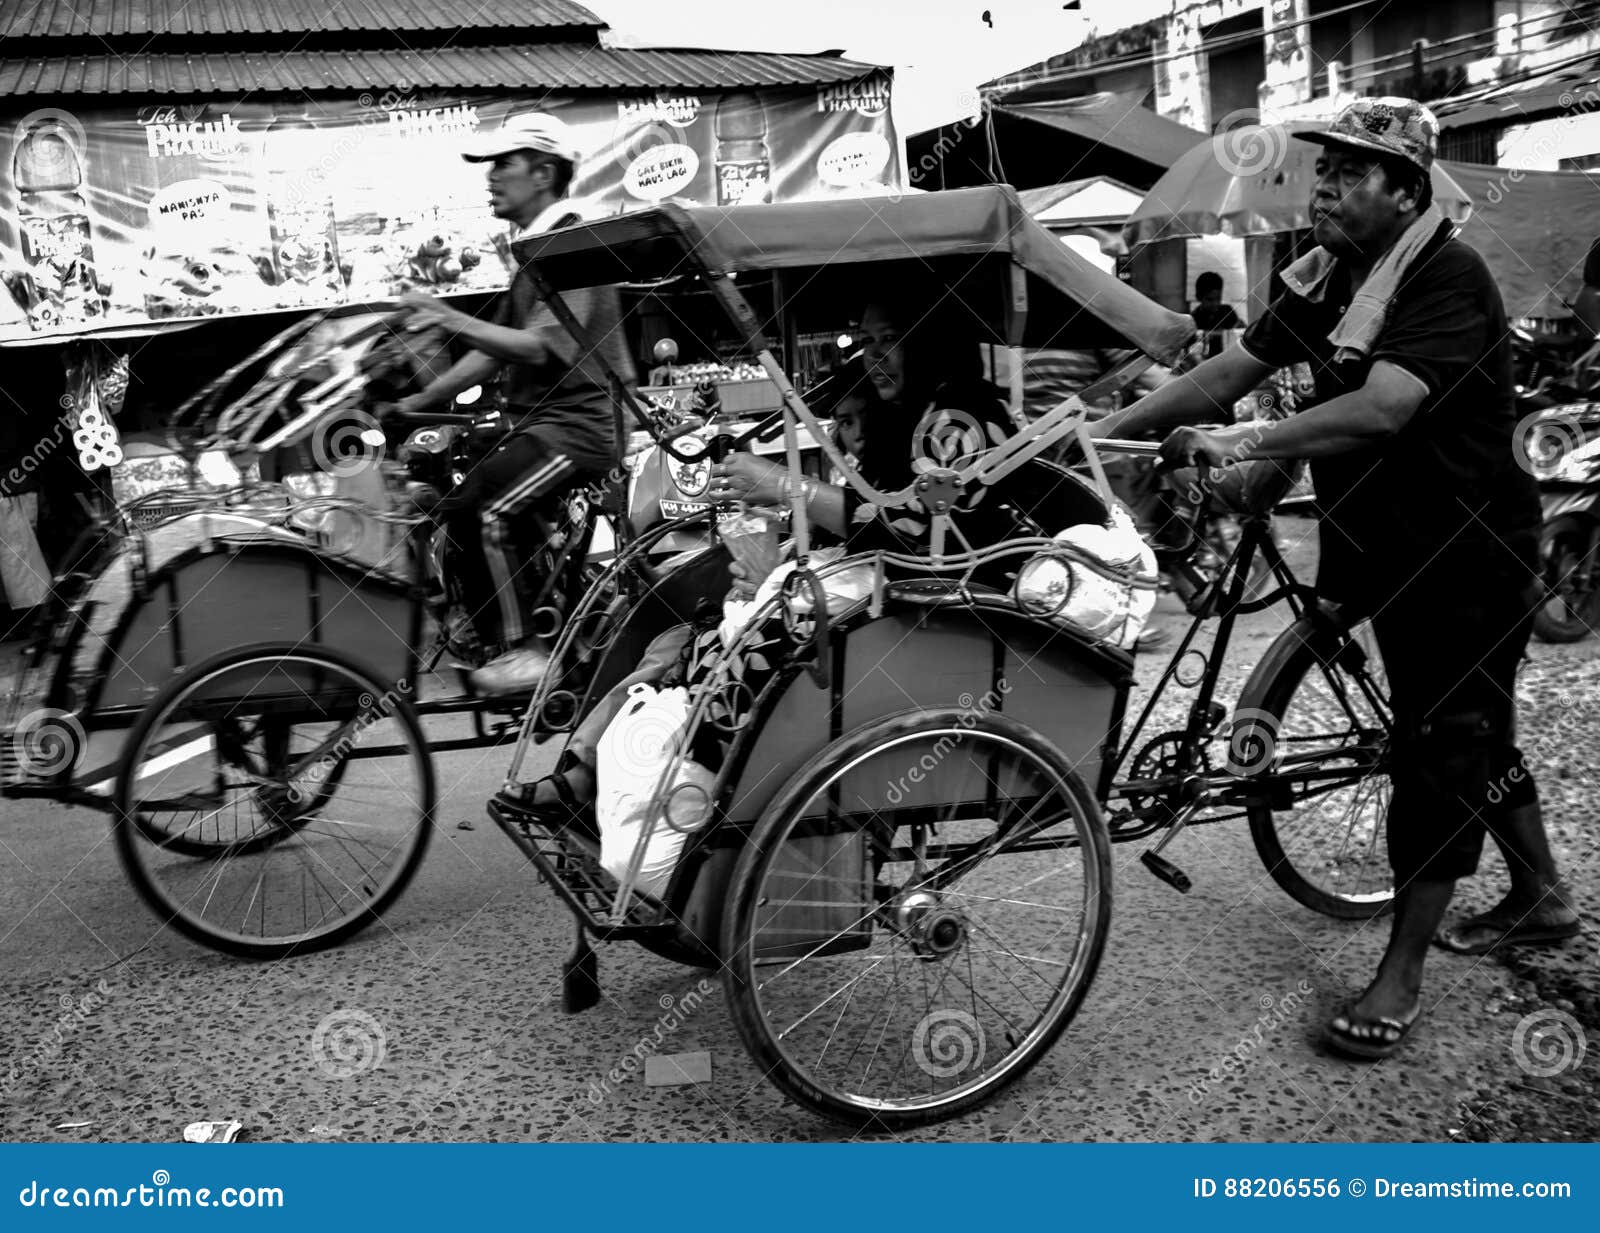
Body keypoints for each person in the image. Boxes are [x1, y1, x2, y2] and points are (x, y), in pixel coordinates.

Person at [1097, 96, 1579, 1059]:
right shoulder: (1321, 276)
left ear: (1406, 192)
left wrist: (1248, 440)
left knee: (1442, 743)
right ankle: (1542, 893)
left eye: (1348, 175)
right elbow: (1227, 372)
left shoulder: (1447, 275)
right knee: (1479, 725)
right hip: (1376, 540)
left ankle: (1399, 972)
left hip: (1463, 552)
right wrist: (1109, 434)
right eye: (1322, 171)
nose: (1322, 189)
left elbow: (1386, 407)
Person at [511, 296, 1017, 829]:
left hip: (940, 611)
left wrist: (784, 486)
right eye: (866, 341)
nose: (874, 357)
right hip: (880, 593)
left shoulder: (960, 415)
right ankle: (598, 775)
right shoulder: (906, 413)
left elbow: (913, 530)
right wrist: (778, 555)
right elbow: (870, 513)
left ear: (930, 340)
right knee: (686, 635)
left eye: (889, 340)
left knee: (737, 640)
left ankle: (688, 801)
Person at [387, 112, 636, 695]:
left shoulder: (573, 245)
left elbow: (535, 347)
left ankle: (526, 651)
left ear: (543, 172)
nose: (492, 177)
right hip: (546, 424)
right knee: (452, 509)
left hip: (580, 427)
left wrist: (445, 314)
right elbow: (489, 354)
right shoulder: (535, 251)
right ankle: (533, 635)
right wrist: (415, 401)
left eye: (504, 164)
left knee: (485, 508)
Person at [1191, 271, 1241, 359]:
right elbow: (1195, 344)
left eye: (1218, 298)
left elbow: (1238, 333)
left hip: (1230, 357)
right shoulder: (1194, 318)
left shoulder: (1227, 311)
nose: (1215, 304)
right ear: (1198, 297)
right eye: (1210, 300)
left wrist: (1211, 334)